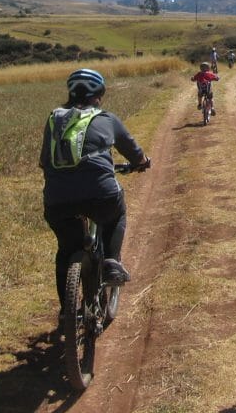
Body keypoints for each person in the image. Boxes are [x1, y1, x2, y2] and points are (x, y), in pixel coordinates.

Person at [40, 68, 150, 322]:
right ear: (98, 95)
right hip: (101, 194)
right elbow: (133, 151)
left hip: (58, 200)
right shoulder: (106, 118)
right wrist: (142, 161)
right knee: (116, 213)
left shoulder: (53, 119)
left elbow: (45, 160)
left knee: (67, 250)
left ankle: (66, 312)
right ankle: (111, 261)